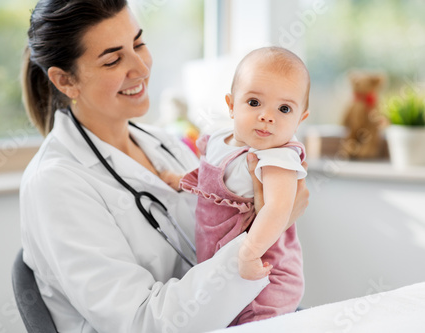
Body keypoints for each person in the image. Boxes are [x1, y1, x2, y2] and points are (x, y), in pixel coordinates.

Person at [19, 1, 309, 332]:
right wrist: (259, 237)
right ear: (65, 81)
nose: (141, 67)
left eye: (139, 43)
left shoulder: (165, 144)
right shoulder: (54, 184)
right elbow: (143, 322)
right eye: (113, 59)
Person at [178, 47, 310, 325]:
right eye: (254, 102)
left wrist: (250, 252)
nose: (267, 116)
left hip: (265, 279)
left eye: (284, 108)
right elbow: (206, 174)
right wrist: (174, 178)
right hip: (225, 266)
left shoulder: (276, 156)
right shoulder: (219, 138)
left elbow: (277, 208)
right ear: (230, 104)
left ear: (300, 119)